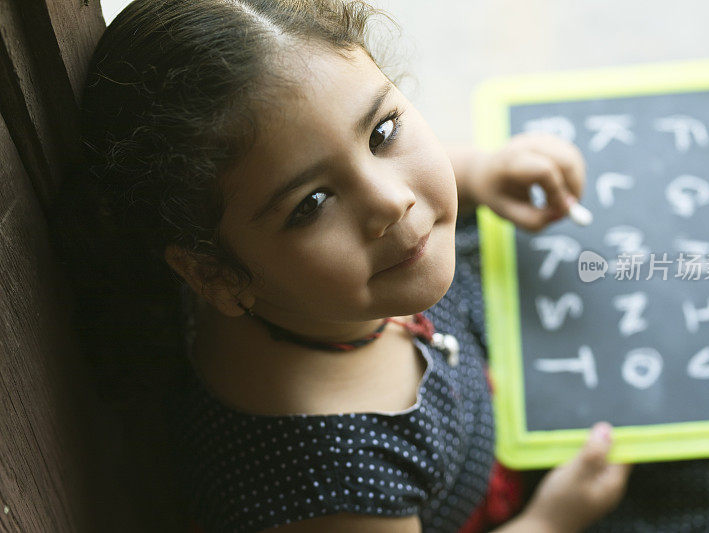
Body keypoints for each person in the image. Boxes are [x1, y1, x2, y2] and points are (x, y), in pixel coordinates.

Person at [59, 0, 631, 531]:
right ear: (214, 275)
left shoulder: (280, 274)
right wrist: (552, 520)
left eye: (381, 133)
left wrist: (480, 170)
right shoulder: (333, 481)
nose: (391, 202)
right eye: (311, 204)